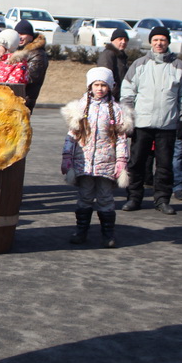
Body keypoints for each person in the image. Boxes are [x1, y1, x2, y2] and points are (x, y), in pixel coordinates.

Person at [121, 26, 182, 215]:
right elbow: (127, 92)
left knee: (164, 164)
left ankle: (162, 199)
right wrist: (128, 117)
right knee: (136, 163)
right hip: (142, 123)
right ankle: (134, 197)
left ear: (168, 42)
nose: (159, 43)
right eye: (155, 40)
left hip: (167, 124)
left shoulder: (179, 66)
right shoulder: (139, 64)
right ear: (150, 42)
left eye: (162, 40)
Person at [61, 67, 132, 247]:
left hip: (106, 162)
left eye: (103, 85)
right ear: (90, 86)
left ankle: (108, 234)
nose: (100, 88)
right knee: (84, 196)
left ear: (109, 87)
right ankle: (81, 231)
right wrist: (67, 156)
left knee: (105, 198)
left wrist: (121, 161)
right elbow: (72, 134)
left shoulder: (116, 110)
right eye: (96, 85)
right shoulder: (80, 108)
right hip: (83, 162)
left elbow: (122, 139)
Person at [12, 19, 48, 112]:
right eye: (17, 34)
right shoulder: (15, 50)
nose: (20, 37)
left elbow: (31, 78)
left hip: (24, 100)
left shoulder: (38, 54)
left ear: (31, 36)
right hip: (11, 98)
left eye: (23, 34)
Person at [96, 28, 129, 102]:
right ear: (113, 40)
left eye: (125, 40)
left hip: (119, 96)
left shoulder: (122, 56)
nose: (123, 42)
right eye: (120, 39)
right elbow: (104, 78)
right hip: (110, 98)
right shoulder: (108, 55)